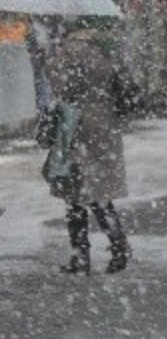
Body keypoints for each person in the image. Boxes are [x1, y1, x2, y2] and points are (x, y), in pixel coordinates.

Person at [44, 17, 131, 274]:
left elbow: (65, 86)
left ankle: (83, 254)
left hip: (80, 126)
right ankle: (116, 246)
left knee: (77, 195)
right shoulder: (104, 45)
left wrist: (50, 60)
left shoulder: (74, 49)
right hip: (103, 124)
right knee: (96, 194)